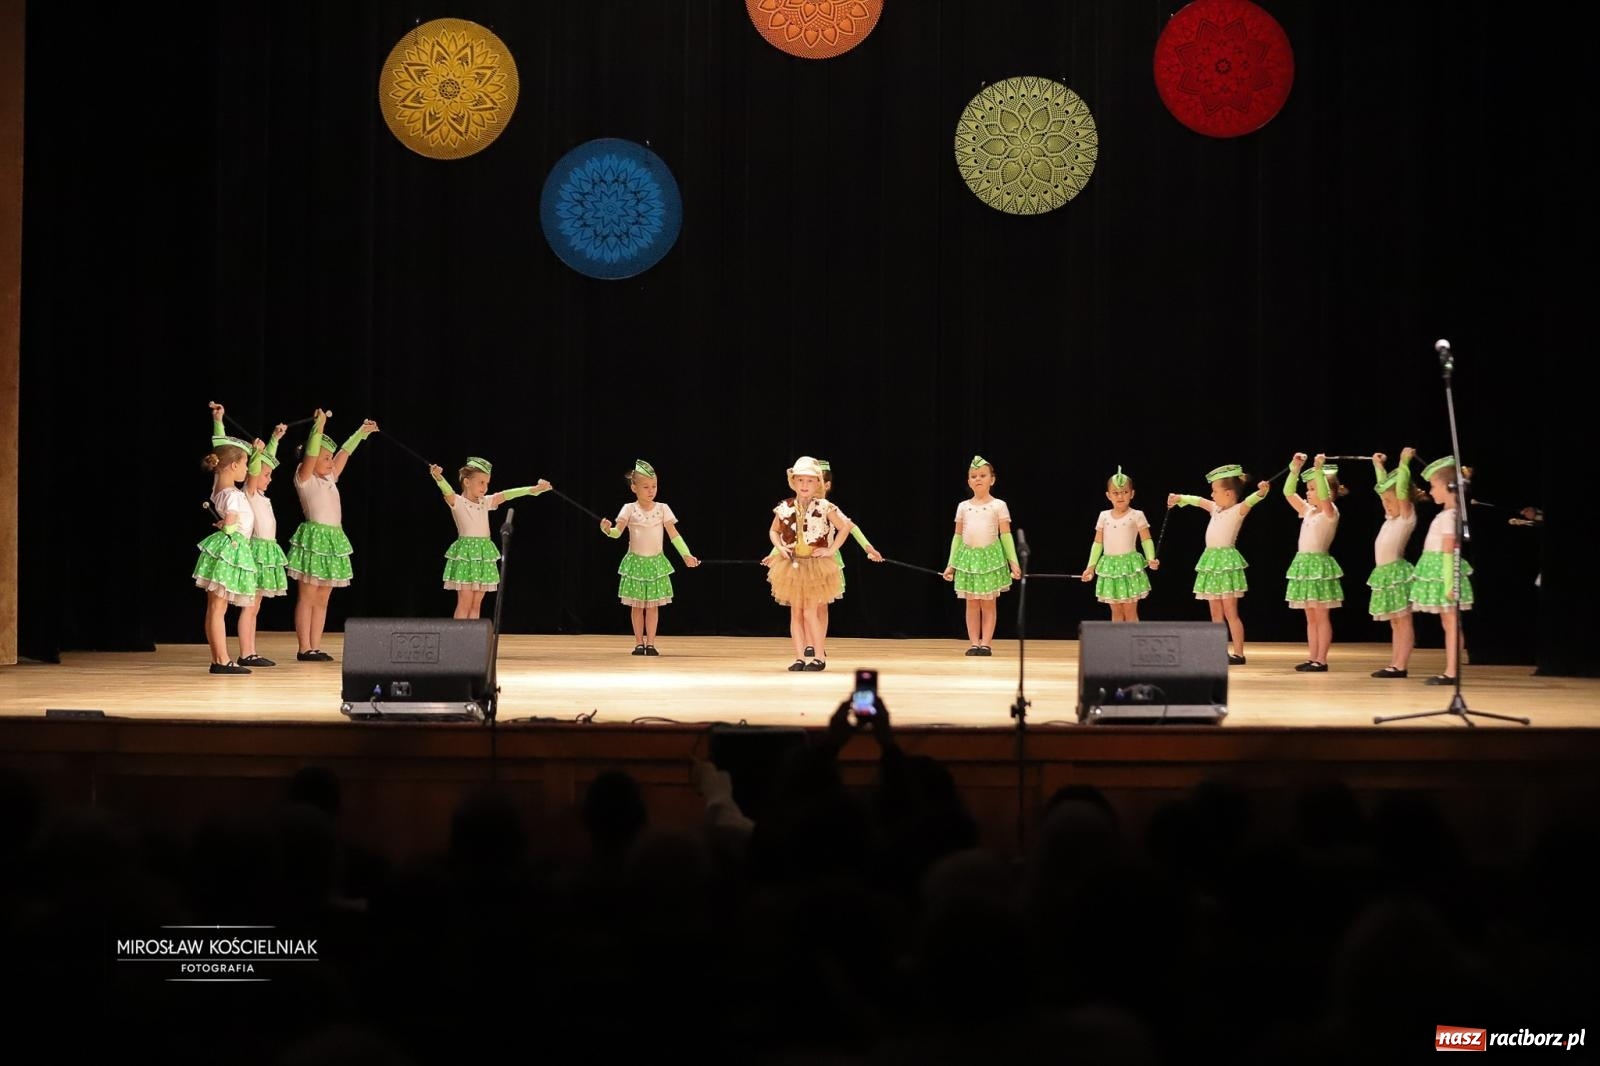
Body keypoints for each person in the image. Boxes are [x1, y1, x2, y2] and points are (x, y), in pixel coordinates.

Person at [286, 409, 377, 662]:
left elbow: (345, 452)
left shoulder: (330, 478)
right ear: (309, 459)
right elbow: (313, 453)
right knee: (308, 595)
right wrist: (319, 427)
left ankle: (315, 646)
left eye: (330, 458)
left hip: (333, 539)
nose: (330, 461)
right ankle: (304, 647)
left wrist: (361, 432)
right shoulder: (304, 478)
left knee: (324, 596)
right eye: (325, 457)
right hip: (314, 539)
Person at [1166, 464, 1268, 664]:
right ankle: (1217, 651)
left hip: (1226, 563)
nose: (1212, 495)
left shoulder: (1238, 510)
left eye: (1215, 491)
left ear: (1229, 493)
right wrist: (1179, 498)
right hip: (1211, 562)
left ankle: (1238, 653)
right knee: (1215, 612)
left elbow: (1251, 500)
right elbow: (1198, 501)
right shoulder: (1215, 509)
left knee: (1231, 612)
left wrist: (1261, 491)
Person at [430, 457, 551, 620]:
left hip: (483, 554)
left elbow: (507, 495)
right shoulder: (457, 502)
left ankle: (472, 641)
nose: (485, 487)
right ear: (467, 482)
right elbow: (447, 491)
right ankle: (459, 640)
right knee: (465, 602)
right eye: (481, 482)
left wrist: (533, 489)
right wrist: (439, 477)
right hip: (466, 555)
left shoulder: (485, 502)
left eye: (487, 483)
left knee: (476, 604)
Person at [599, 459, 698, 653]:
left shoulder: (663, 508)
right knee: (637, 606)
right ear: (634, 487)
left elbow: (674, 535)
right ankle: (638, 643)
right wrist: (607, 530)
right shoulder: (629, 508)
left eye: (654, 486)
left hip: (655, 564)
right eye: (645, 486)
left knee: (652, 607)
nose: (651, 490)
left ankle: (651, 643)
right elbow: (617, 532)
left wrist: (686, 555)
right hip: (635, 563)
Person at [765, 456, 851, 671]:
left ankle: (818, 656)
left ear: (818, 484)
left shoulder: (825, 506)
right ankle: (800, 657)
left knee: (810, 612)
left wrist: (831, 550)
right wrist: (780, 547)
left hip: (815, 566)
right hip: (793, 565)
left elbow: (845, 527)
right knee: (796, 612)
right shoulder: (784, 507)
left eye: (810, 481)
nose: (804, 485)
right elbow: (774, 530)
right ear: (793, 482)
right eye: (800, 480)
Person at [192, 427, 259, 674]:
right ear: (232, 466)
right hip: (232, 548)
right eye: (244, 464)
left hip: (225, 547)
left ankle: (218, 658)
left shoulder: (218, 489)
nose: (247, 469)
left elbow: (220, 452)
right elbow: (232, 523)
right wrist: (227, 527)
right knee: (219, 608)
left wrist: (218, 422)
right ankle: (221, 660)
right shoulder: (232, 495)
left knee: (215, 607)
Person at [941, 455, 1020, 654]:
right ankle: (974, 643)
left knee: (988, 603)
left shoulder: (998, 505)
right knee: (972, 603)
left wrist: (1014, 562)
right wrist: (951, 564)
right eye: (974, 476)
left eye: (982, 475)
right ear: (969, 481)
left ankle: (986, 643)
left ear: (992, 479)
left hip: (990, 559)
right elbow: (957, 537)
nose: (978, 479)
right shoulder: (963, 506)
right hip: (968, 560)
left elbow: (1006, 535)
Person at [1410, 456, 1475, 684]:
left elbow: (1449, 549)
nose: (1430, 491)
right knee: (1449, 623)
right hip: (1440, 570)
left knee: (1450, 623)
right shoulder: (1446, 514)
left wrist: (1449, 583)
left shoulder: (1450, 515)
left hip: (1444, 572)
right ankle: (1451, 669)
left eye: (1434, 486)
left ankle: (1452, 671)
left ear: (1449, 488)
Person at [1282, 453, 1344, 672]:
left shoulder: (1330, 512)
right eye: (1307, 489)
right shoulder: (1307, 511)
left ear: (1330, 492)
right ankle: (1312, 657)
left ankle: (1322, 659)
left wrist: (1319, 471)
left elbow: (1325, 498)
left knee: (1320, 614)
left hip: (1319, 566)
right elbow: (1288, 492)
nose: (1308, 493)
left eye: (1313, 488)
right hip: (1304, 565)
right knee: (1310, 615)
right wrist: (1295, 469)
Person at [238, 420, 289, 667]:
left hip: (266, 551)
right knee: (250, 604)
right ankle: (246, 653)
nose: (269, 479)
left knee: (255, 605)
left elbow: (265, 464)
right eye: (266, 475)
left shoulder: (260, 496)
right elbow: (256, 471)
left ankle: (251, 651)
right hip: (256, 551)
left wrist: (275, 440)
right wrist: (257, 452)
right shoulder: (249, 492)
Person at [1367, 448, 1422, 678]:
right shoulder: (1391, 518)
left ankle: (1401, 665)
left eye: (1391, 501)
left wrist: (1403, 464)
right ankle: (1395, 663)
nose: (1386, 504)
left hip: (1398, 572)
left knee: (1403, 619)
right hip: (1384, 573)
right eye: (1384, 501)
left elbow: (1399, 490)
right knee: (1394, 622)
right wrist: (1378, 466)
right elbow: (1384, 490)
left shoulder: (1407, 516)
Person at [1081, 466, 1159, 622]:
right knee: (1116, 611)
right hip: (1110, 567)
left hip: (1128, 567)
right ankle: (1118, 644)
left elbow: (1146, 539)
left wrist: (1151, 557)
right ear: (1108, 495)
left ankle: (1133, 644)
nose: (1120, 496)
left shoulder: (1137, 515)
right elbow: (1097, 543)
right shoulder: (1103, 516)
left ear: (1132, 494)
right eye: (1115, 493)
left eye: (1124, 492)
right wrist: (1090, 567)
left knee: (1130, 611)